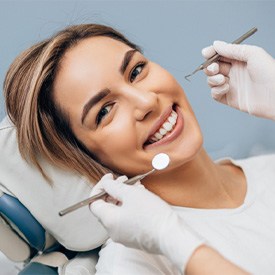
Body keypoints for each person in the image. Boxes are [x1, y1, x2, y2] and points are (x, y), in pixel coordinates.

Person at [3, 23, 275, 274]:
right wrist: (171, 238)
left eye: (136, 71)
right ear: (83, 157)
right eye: (105, 111)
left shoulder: (268, 168)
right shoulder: (132, 263)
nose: (145, 101)